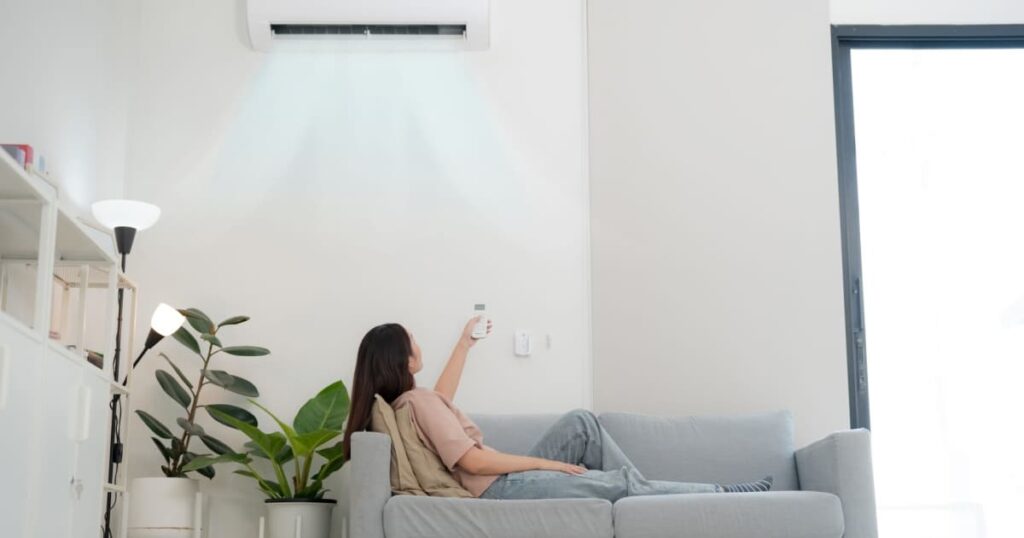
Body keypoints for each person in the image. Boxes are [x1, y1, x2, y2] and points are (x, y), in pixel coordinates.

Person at [342, 319, 772, 502]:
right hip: (496, 488)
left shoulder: (410, 403)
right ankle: (714, 495)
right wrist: (544, 463)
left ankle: (643, 493)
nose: (419, 343)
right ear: (403, 358)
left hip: (493, 482)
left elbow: (440, 401)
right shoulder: (417, 401)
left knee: (582, 424)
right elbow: (471, 460)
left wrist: (464, 343)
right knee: (612, 482)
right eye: (412, 339)